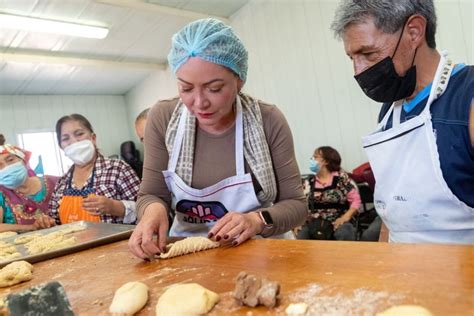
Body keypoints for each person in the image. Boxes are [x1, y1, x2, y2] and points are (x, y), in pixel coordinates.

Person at [128, 18, 306, 259]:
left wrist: (257, 220)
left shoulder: (267, 120)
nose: (199, 103)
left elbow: (296, 205)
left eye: (214, 88)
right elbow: (151, 194)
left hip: (263, 252)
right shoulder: (163, 118)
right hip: (189, 254)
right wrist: (152, 211)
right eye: (186, 88)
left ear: (239, 80)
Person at [331, 0, 473, 243]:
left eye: (368, 53)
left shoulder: (466, 98)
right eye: (352, 58)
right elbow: (395, 216)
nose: (358, 70)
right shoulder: (389, 112)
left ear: (414, 31)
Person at [49, 114, 140, 225]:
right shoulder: (61, 183)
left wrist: (114, 207)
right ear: (61, 147)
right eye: (65, 138)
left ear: (93, 138)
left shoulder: (118, 169)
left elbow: (146, 211)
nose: (74, 141)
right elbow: (55, 223)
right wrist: (46, 223)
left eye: (79, 134)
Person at [297, 146, 361, 241]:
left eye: (315, 157)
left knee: (345, 233)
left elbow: (356, 201)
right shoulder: (308, 182)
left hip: (338, 222)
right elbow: (301, 205)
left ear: (326, 161)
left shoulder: (342, 179)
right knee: (300, 237)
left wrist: (345, 217)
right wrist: (298, 223)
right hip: (314, 224)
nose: (312, 159)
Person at [0, 144, 57, 232]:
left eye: (10, 160)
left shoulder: (55, 182)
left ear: (23, 160)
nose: (7, 167)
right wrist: (30, 227)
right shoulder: (2, 194)